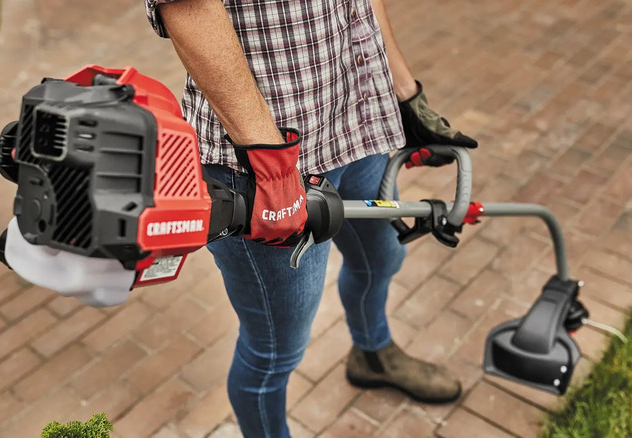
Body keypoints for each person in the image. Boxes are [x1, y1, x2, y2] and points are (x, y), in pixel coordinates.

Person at [144, 0, 477, 436]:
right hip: (261, 164)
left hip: (355, 125)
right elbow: (190, 7)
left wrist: (406, 93)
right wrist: (271, 164)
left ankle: (372, 354)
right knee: (275, 351)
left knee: (381, 260)